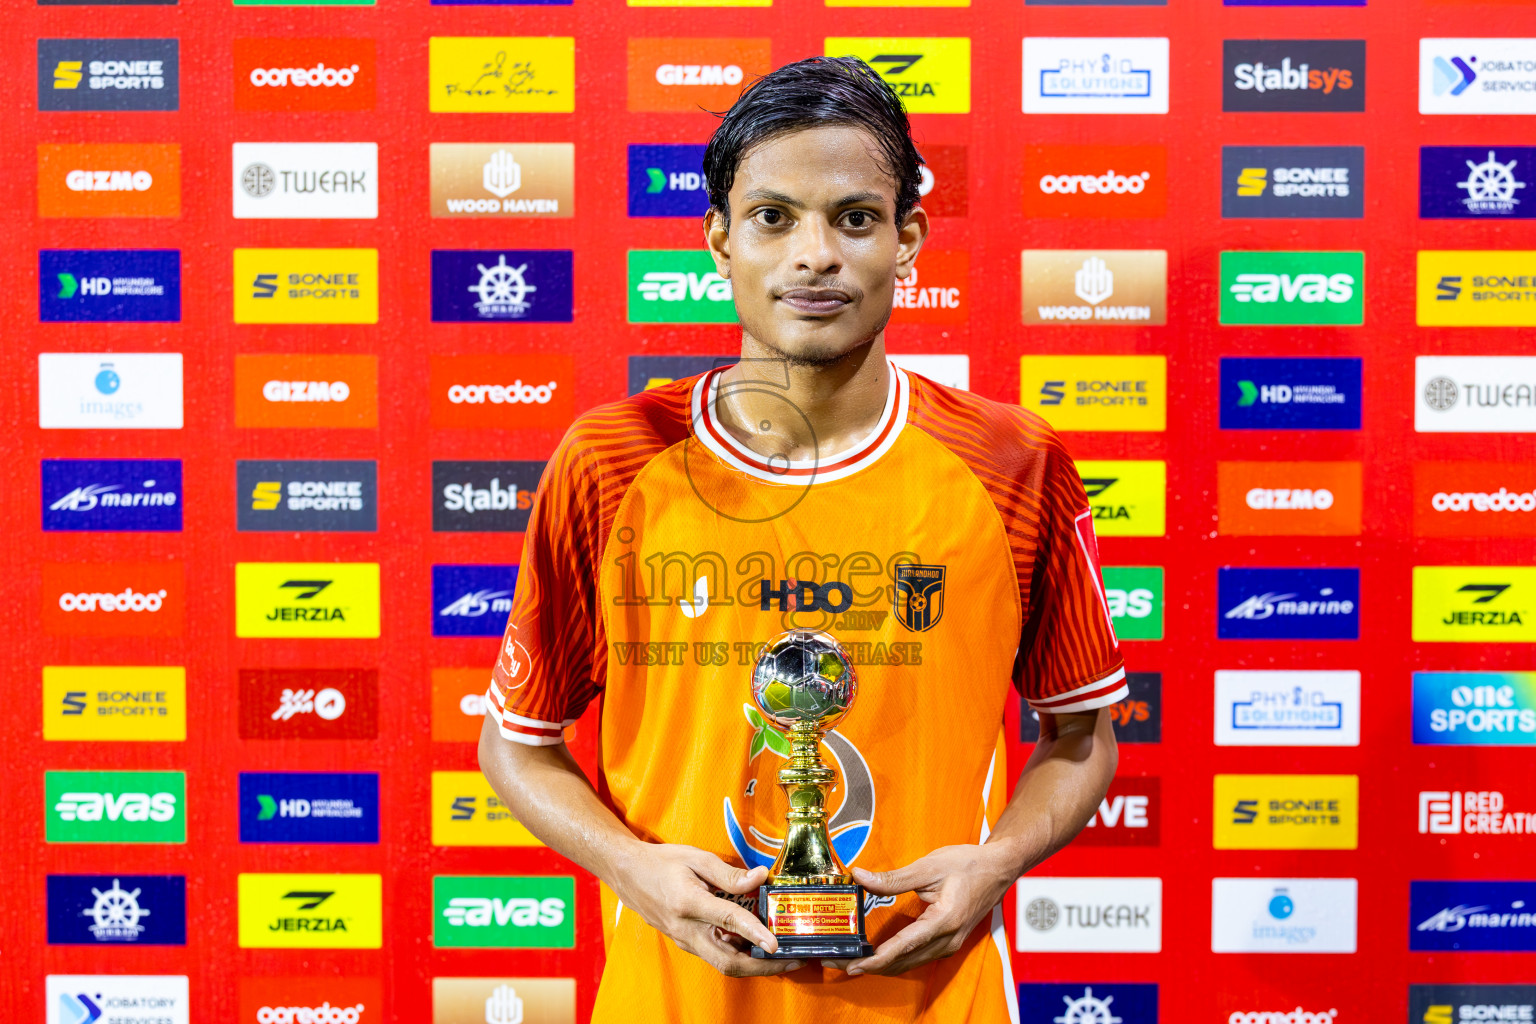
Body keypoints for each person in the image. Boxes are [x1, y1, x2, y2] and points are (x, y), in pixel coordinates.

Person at [478, 55, 1125, 1023]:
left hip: (933, 1002)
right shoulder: (612, 461)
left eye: (854, 218)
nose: (814, 254)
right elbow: (515, 743)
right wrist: (634, 869)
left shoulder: (1011, 463)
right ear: (719, 240)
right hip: (674, 1001)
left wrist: (997, 863)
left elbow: (1083, 735)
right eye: (773, 217)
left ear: (908, 238)